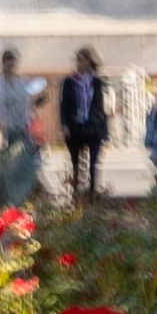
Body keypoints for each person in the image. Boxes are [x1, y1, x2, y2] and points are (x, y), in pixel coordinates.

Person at [0, 49, 43, 211]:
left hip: (20, 130)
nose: (10, 65)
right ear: (2, 63)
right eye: (7, 62)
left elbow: (27, 106)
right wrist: (2, 124)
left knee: (22, 167)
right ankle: (4, 204)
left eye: (12, 62)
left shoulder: (22, 82)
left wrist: (28, 124)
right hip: (0, 132)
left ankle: (21, 202)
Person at [58, 49, 108, 203]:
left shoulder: (96, 82)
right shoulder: (69, 81)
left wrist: (104, 130)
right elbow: (64, 105)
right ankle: (76, 193)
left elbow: (100, 106)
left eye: (83, 60)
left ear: (89, 62)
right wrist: (65, 125)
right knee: (76, 162)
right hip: (75, 127)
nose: (80, 63)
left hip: (93, 127)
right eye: (78, 59)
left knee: (93, 163)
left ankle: (92, 193)